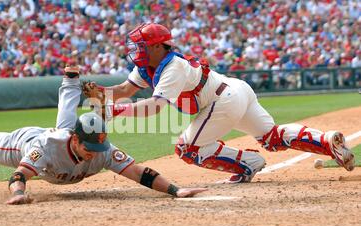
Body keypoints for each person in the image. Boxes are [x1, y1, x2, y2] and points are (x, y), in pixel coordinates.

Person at [83, 23, 355, 184]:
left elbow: (155, 107)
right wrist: (101, 93)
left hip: (221, 100)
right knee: (271, 137)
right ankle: (326, 140)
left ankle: (248, 163)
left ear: (157, 47)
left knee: (186, 149)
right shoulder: (149, 65)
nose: (136, 50)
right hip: (233, 91)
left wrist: (114, 110)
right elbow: (125, 89)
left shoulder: (171, 67)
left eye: (141, 45)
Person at [0, 66, 207, 205]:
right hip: (21, 144)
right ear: (76, 139)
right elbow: (19, 175)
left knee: (64, 122)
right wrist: (19, 193)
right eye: (88, 147)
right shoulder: (48, 146)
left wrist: (175, 190)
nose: (94, 153)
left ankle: (70, 82)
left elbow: (138, 172)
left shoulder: (100, 148)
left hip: (62, 137)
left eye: (98, 148)